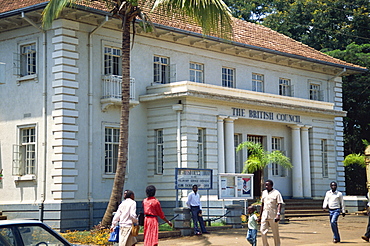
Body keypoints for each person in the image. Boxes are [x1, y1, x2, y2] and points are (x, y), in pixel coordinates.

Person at [259, 179, 283, 246]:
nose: (266, 186)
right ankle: (265, 245)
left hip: (273, 214)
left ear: (271, 185)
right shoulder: (264, 192)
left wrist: (278, 214)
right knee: (262, 231)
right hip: (264, 214)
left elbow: (279, 204)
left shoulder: (276, 193)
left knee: (275, 232)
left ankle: (277, 244)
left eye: (268, 185)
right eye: (265, 185)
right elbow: (262, 204)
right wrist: (260, 216)